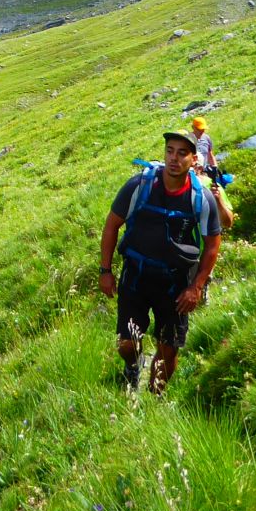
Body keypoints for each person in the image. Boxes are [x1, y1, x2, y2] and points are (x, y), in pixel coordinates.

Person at [98, 130, 223, 394]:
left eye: (181, 153)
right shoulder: (139, 186)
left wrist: (196, 287)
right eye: (170, 151)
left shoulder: (201, 197)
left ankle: (156, 400)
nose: (174, 159)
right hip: (136, 276)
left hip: (176, 283)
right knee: (126, 344)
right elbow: (111, 226)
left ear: (193, 159)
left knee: (169, 348)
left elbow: (212, 245)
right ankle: (133, 366)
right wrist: (105, 270)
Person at [190, 116, 235, 229]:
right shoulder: (188, 140)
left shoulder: (207, 138)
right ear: (193, 128)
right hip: (192, 172)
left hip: (204, 171)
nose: (202, 131)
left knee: (215, 192)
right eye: (199, 129)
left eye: (203, 129)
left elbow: (210, 154)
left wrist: (214, 168)